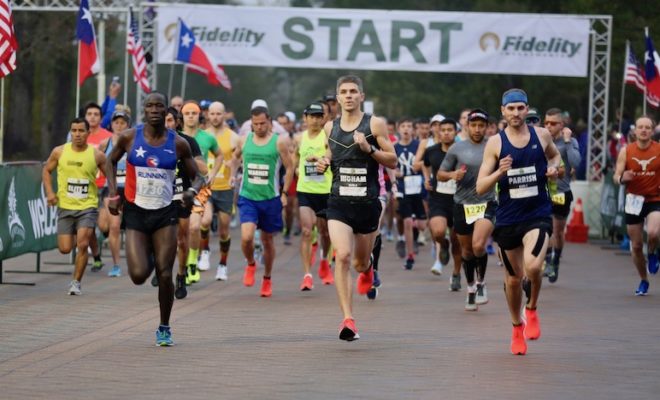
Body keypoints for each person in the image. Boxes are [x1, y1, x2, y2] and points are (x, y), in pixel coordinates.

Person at [106, 92, 203, 346]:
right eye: (150, 106)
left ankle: (164, 326)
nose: (155, 110)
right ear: (144, 109)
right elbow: (109, 160)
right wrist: (113, 194)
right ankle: (147, 250)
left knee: (164, 273)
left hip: (165, 212)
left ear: (166, 110)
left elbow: (199, 177)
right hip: (136, 211)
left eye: (159, 106)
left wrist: (191, 192)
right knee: (138, 275)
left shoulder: (178, 143)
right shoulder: (129, 137)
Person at [476, 88, 561, 355]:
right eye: (510, 108)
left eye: (520, 108)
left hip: (537, 212)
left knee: (534, 266)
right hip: (508, 217)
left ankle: (532, 308)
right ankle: (516, 326)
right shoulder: (495, 143)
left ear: (527, 109)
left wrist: (554, 169)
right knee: (513, 281)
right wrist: (499, 172)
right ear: (503, 111)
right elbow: (480, 186)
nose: (515, 113)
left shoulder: (542, 135)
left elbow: (555, 156)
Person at [315, 75, 397, 341]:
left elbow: (393, 161)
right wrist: (324, 162)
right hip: (338, 203)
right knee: (343, 255)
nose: (348, 96)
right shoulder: (330, 127)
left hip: (367, 204)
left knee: (360, 264)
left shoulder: (374, 124)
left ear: (361, 96)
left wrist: (369, 148)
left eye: (353, 91)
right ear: (337, 98)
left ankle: (370, 265)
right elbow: (332, 152)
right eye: (343, 92)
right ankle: (348, 320)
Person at [438, 109, 496, 311]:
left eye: (482, 125)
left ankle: (481, 284)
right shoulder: (456, 148)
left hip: (486, 202)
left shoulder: (494, 146)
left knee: (479, 245)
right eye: (474, 125)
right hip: (462, 204)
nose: (478, 129)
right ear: (467, 126)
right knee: (467, 251)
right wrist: (453, 174)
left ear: (487, 127)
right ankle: (470, 287)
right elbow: (440, 174)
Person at [233, 106, 294, 297]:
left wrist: (284, 192)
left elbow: (290, 168)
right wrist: (232, 174)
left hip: (270, 198)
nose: (259, 127)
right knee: (246, 237)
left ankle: (267, 278)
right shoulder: (244, 140)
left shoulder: (279, 142)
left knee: (268, 241)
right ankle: (251, 263)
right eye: (255, 124)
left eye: (262, 123)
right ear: (251, 123)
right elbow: (234, 158)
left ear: (269, 122)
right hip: (248, 197)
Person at [42, 118, 107, 295]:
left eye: (81, 131)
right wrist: (49, 192)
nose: (77, 134)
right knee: (64, 248)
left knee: (83, 243)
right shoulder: (59, 151)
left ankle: (76, 283)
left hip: (88, 206)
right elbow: (46, 171)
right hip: (65, 206)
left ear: (88, 133)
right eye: (74, 131)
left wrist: (114, 196)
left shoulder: (96, 155)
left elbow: (111, 173)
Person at [613, 116, 660, 295]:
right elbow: (617, 176)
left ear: (652, 130)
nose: (644, 130)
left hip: (655, 198)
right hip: (634, 200)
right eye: (640, 127)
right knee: (637, 246)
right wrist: (622, 178)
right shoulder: (626, 151)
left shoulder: (658, 149)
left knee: (654, 232)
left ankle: (654, 252)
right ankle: (643, 279)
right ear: (635, 130)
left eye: (647, 127)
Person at [164, 107, 206, 299]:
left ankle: (180, 275)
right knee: (161, 238)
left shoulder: (187, 142)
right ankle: (162, 272)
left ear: (177, 122)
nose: (167, 124)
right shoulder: (150, 143)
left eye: (170, 120)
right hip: (161, 196)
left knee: (181, 238)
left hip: (182, 195)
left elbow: (203, 171)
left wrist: (187, 158)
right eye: (163, 120)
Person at [180, 102, 223, 284]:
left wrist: (212, 174)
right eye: (187, 113)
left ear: (199, 116)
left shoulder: (207, 138)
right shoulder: (176, 137)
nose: (190, 116)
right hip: (180, 185)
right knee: (180, 230)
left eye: (194, 113)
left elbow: (219, 155)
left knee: (195, 226)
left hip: (200, 186)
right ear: (182, 116)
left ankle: (192, 262)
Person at [294, 103, 334, 290]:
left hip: (325, 191)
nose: (315, 120)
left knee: (325, 233)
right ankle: (307, 275)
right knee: (307, 231)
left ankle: (325, 261)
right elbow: (294, 163)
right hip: (306, 190)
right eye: (312, 116)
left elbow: (331, 157)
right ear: (305, 118)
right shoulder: (299, 139)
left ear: (323, 118)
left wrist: (320, 160)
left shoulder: (328, 137)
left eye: (319, 116)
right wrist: (294, 173)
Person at [422, 118, 463, 290]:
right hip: (438, 197)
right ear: (438, 132)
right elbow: (425, 165)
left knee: (457, 240)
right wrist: (426, 179)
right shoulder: (431, 150)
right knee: (438, 231)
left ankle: (456, 274)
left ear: (455, 132)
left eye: (450, 130)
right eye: (443, 129)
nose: (446, 132)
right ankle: (443, 244)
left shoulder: (463, 150)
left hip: (459, 199)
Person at [543, 108, 581, 283]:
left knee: (557, 231)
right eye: (546, 123)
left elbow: (576, 163)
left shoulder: (570, 141)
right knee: (545, 228)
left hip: (561, 193)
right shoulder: (541, 140)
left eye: (553, 123)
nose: (549, 126)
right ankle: (546, 259)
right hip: (543, 192)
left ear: (562, 125)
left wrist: (566, 142)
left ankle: (555, 259)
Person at [206, 101, 240, 281]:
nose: (215, 117)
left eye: (219, 114)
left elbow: (239, 159)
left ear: (224, 115)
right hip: (207, 187)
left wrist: (233, 170)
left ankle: (223, 264)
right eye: (212, 114)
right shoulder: (202, 136)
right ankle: (204, 251)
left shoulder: (233, 137)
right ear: (208, 115)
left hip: (225, 188)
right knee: (203, 221)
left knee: (224, 230)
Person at [97, 111, 131, 277]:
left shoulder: (134, 143)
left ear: (127, 125)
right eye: (116, 122)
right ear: (111, 125)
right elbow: (96, 161)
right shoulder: (105, 143)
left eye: (122, 123)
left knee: (116, 227)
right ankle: (114, 257)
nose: (119, 126)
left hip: (129, 188)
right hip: (111, 187)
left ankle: (117, 265)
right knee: (104, 226)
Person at [394, 117, 428, 270]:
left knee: (422, 226)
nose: (406, 129)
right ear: (398, 128)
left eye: (409, 126)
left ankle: (417, 229)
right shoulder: (394, 147)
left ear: (413, 129)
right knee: (406, 221)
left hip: (419, 188)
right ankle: (410, 256)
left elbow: (426, 163)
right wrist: (395, 174)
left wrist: (419, 165)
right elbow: (389, 165)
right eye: (403, 126)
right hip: (403, 189)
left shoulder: (419, 146)